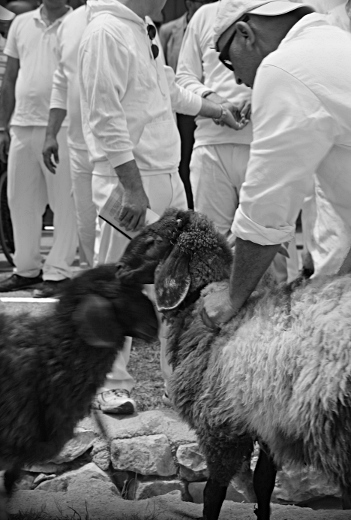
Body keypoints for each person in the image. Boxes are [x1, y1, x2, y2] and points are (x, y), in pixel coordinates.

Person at [78, 0, 242, 413]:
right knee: (118, 281)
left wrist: (216, 109)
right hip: (130, 177)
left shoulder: (141, 25)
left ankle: (179, 383)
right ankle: (104, 382)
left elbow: (167, 91)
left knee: (177, 283)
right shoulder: (105, 32)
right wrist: (132, 188)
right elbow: (104, 116)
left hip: (165, 171)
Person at [202, 0, 351, 326]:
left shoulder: (284, 67)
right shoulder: (334, 42)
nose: (238, 80)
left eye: (228, 61)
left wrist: (231, 297)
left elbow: (267, 205)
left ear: (245, 33)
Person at [176, 0, 299, 283]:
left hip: (265, 143)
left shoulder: (275, 12)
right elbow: (183, 78)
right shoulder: (204, 16)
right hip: (210, 143)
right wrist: (214, 101)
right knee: (210, 246)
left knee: (271, 243)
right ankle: (217, 321)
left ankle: (274, 323)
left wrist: (261, 96)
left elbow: (294, 71)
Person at [0, 0, 78, 296]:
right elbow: (10, 78)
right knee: (19, 201)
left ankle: (58, 273)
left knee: (64, 203)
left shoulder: (78, 23)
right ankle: (26, 269)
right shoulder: (21, 23)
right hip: (21, 124)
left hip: (65, 127)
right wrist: (2, 126)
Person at [43, 3, 99, 271]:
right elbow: (61, 81)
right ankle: (97, 289)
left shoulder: (133, 16)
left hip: (120, 151)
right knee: (86, 227)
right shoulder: (70, 23)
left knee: (118, 230)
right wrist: (50, 133)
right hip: (78, 148)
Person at [159, 0, 216, 209]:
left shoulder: (215, 21)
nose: (199, 5)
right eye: (195, 1)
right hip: (180, 107)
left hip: (208, 106)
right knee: (183, 160)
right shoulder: (168, 30)